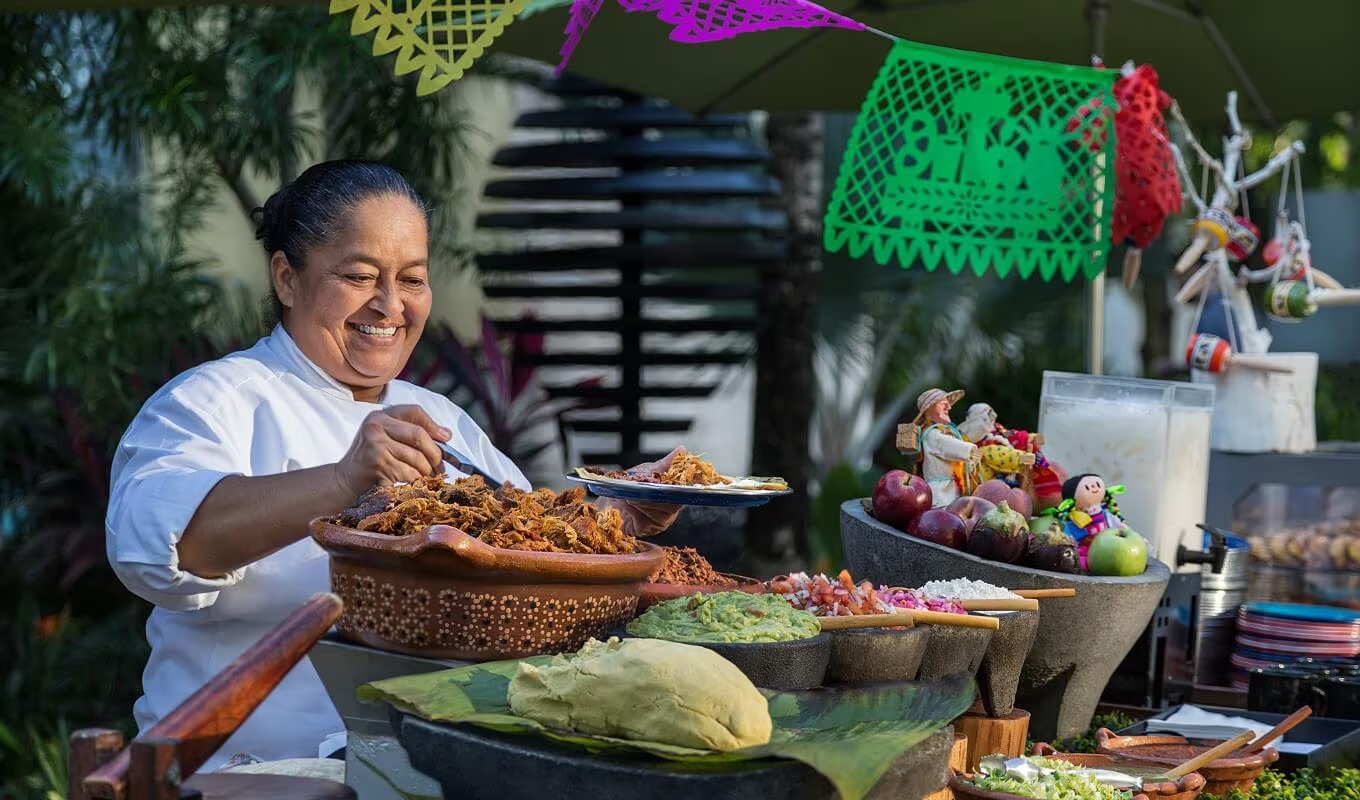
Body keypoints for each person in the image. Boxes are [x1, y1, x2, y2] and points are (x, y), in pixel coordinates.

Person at [105, 160, 682, 771]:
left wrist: (616, 513)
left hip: (415, 767)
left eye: (411, 279)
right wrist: (341, 479)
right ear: (286, 277)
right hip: (245, 772)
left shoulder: (441, 418)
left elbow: (528, 552)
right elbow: (156, 551)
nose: (389, 305)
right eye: (358, 276)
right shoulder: (215, 400)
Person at [914, 388, 981, 507]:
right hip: (940, 491)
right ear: (930, 408)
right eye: (944, 404)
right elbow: (946, 445)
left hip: (950, 486)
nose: (949, 408)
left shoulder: (941, 431)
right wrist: (969, 450)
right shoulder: (932, 434)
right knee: (945, 512)